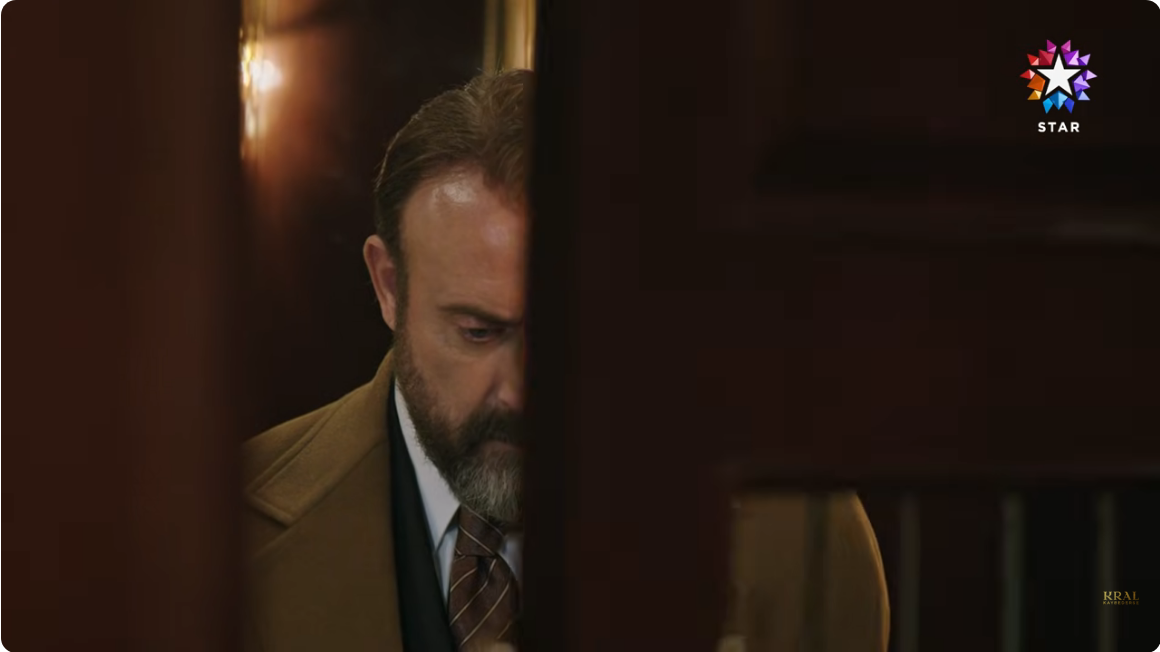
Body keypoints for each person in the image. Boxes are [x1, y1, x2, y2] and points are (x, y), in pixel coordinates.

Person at [243, 69, 889, 652]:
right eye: (478, 332)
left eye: (564, 333)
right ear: (389, 286)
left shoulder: (797, 536)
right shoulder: (228, 530)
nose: (521, 391)